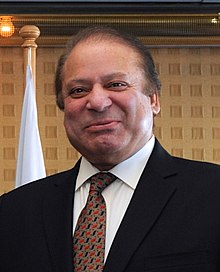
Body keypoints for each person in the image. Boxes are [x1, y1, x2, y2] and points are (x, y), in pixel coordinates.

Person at [0, 26, 220, 272]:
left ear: (154, 99)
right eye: (78, 90)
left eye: (116, 84)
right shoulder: (14, 211)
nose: (96, 102)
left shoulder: (213, 194)